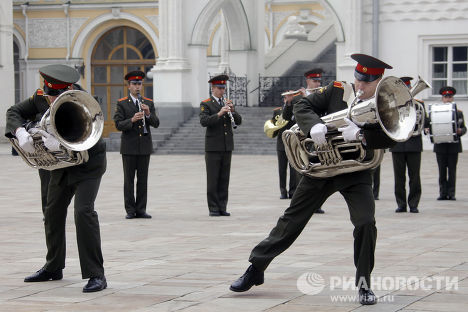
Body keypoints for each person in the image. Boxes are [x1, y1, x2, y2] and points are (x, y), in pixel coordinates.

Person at [230, 54, 398, 305]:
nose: (361, 87)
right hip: (320, 170)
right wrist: (313, 126)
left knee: (365, 223)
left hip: (356, 173)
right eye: (358, 80)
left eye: (367, 83)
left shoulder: (385, 102)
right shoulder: (337, 90)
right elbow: (301, 106)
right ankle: (255, 269)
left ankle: (364, 284)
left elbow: (393, 137)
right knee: (291, 221)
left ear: (379, 81)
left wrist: (363, 135)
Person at [5, 64, 107, 292]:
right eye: (49, 95)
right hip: (60, 167)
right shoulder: (42, 97)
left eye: (55, 95)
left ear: (68, 88)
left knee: (83, 211)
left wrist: (60, 141)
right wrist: (21, 131)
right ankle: (53, 266)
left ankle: (96, 274)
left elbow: (91, 133)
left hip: (88, 165)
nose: (50, 101)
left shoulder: (82, 99)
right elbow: (13, 112)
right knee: (51, 212)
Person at [114, 70, 160, 219]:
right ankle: (130, 210)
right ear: (129, 86)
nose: (137, 87)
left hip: (144, 146)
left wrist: (148, 114)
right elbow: (118, 124)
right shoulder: (122, 103)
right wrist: (132, 120)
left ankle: (141, 209)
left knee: (142, 180)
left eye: (139, 84)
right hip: (129, 147)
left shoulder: (148, 102)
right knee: (129, 181)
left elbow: (156, 123)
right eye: (134, 84)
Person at [199, 74, 242, 216]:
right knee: (213, 179)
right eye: (219, 88)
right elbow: (204, 122)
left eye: (223, 88)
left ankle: (222, 206)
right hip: (212, 147)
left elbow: (239, 121)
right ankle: (213, 208)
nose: (222, 91)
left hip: (226, 146)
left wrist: (232, 110)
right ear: (213, 88)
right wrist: (219, 113)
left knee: (224, 178)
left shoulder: (227, 102)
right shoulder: (206, 104)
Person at [391, 77, 423, 213]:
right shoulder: (393, 105)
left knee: (414, 177)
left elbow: (424, 123)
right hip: (398, 145)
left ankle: (414, 204)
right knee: (399, 177)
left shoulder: (418, 105)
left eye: (408, 88)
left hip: (414, 144)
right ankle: (401, 204)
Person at [431, 86, 466, 200]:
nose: (448, 99)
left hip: (453, 146)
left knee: (452, 170)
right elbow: (429, 124)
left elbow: (464, 128)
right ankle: (442, 193)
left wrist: (460, 131)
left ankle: (451, 194)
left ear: (452, 98)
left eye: (450, 97)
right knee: (441, 171)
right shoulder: (435, 110)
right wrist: (427, 129)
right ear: (442, 98)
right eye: (446, 97)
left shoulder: (458, 113)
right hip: (440, 145)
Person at [275, 98, 298, 200]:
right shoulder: (277, 111)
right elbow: (275, 124)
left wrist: (289, 105)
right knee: (282, 169)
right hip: (281, 144)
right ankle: (283, 191)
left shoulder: (295, 109)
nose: (287, 99)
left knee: (293, 170)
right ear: (283, 99)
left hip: (292, 143)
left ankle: (292, 191)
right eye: (286, 98)